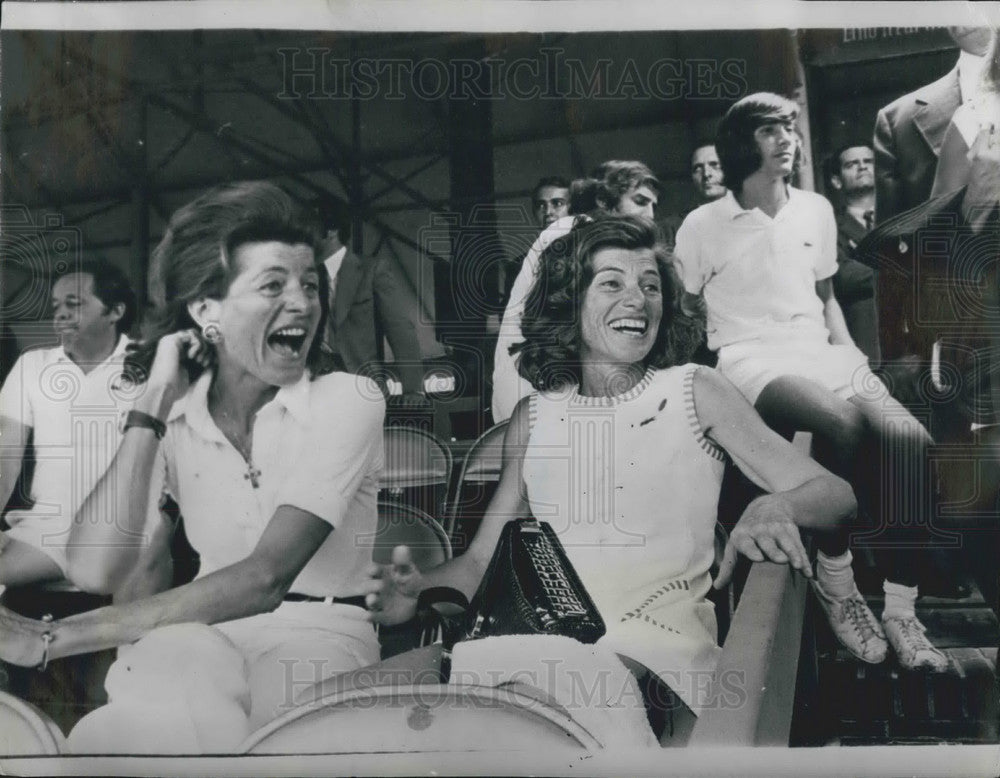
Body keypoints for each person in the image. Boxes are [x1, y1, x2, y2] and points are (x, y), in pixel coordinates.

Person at [367, 214, 857, 743]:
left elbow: (836, 494)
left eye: (650, 286)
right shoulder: (533, 418)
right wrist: (416, 593)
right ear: (568, 303)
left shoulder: (694, 390)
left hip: (660, 650)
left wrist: (774, 506)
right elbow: (482, 562)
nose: (638, 299)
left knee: (524, 714)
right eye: (612, 283)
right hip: (544, 650)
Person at [0, 182, 385, 731]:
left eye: (310, 284)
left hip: (319, 637)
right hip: (202, 638)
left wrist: (51, 639)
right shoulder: (174, 415)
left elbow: (265, 577)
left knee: (229, 732)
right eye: (273, 285)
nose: (302, 302)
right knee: (133, 717)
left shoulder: (348, 398)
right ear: (207, 308)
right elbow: (97, 567)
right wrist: (152, 405)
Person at [674, 93, 949, 671]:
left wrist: (851, 360)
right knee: (842, 424)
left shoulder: (817, 210)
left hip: (821, 350)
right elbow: (686, 310)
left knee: (913, 444)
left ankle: (902, 611)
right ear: (741, 141)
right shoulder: (701, 224)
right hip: (749, 358)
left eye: (790, 128)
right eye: (771, 129)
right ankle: (838, 582)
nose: (786, 138)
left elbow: (826, 301)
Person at [0, 259, 137, 587]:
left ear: (115, 312)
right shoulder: (33, 365)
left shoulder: (151, 363)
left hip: (119, 525)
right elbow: (6, 454)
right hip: (45, 524)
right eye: (56, 306)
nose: (59, 314)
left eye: (74, 304)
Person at [491, 160, 660, 423]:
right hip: (535, 386)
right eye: (640, 201)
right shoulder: (569, 230)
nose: (650, 214)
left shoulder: (602, 240)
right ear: (604, 201)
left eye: (653, 205)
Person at [311, 194, 426, 400]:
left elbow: (399, 329)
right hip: (314, 391)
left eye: (307, 230)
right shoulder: (301, 279)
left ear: (331, 231)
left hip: (363, 389)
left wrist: (413, 389)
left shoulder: (371, 270)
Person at [823, 144, 880, 363]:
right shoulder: (829, 227)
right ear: (836, 180)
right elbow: (843, 276)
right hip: (866, 343)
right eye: (851, 164)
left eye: (868, 161)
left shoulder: (900, 217)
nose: (862, 167)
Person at [658, 144, 727, 249]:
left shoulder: (750, 221)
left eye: (714, 165)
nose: (706, 174)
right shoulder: (670, 228)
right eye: (698, 168)